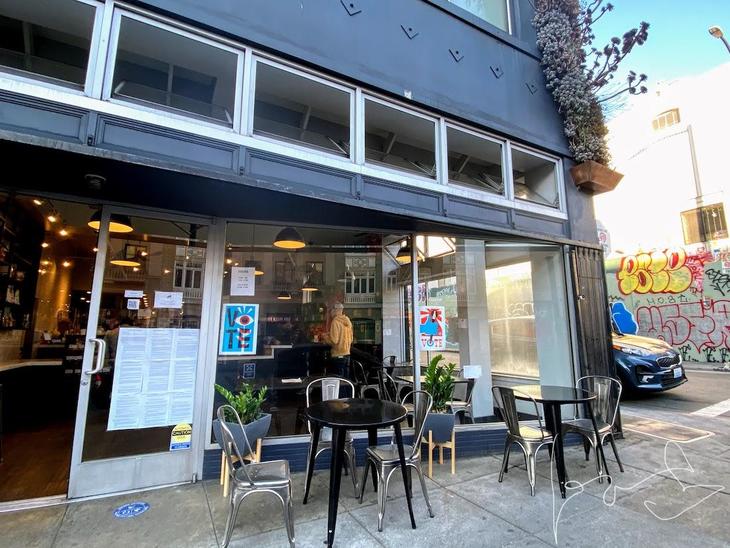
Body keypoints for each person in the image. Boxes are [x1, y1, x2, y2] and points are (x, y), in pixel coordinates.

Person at [322, 302, 353, 379]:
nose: (330, 313)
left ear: (335, 310)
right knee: (346, 380)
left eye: (331, 310)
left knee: (337, 380)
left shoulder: (335, 322)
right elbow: (351, 339)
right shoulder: (348, 321)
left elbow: (334, 341)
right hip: (347, 354)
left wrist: (325, 337)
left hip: (337, 355)